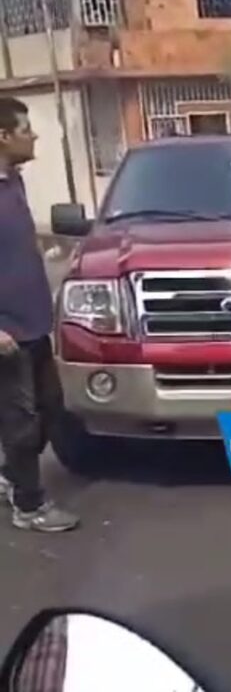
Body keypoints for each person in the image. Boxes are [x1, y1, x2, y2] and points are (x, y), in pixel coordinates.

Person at [0, 97, 79, 532]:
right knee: (21, 421)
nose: (34, 136)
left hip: (33, 325)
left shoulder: (14, 182)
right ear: (4, 136)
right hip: (6, 331)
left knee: (51, 409)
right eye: (26, 129)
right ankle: (29, 505)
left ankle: (14, 475)